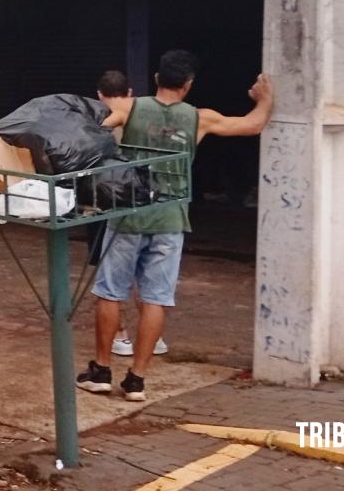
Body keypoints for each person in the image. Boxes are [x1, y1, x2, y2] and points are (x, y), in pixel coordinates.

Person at [77, 50, 274, 402]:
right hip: (170, 219)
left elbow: (90, 132)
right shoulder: (201, 118)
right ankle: (136, 380)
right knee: (155, 298)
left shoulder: (130, 109)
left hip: (128, 216)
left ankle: (102, 371)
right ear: (188, 85)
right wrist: (265, 98)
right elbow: (252, 124)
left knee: (109, 291)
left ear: (156, 79)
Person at [89, 70, 170, 359]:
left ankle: (120, 336)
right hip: (144, 196)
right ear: (130, 91)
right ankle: (153, 338)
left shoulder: (102, 118)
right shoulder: (143, 113)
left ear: (99, 94)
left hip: (109, 201)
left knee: (110, 279)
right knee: (146, 277)